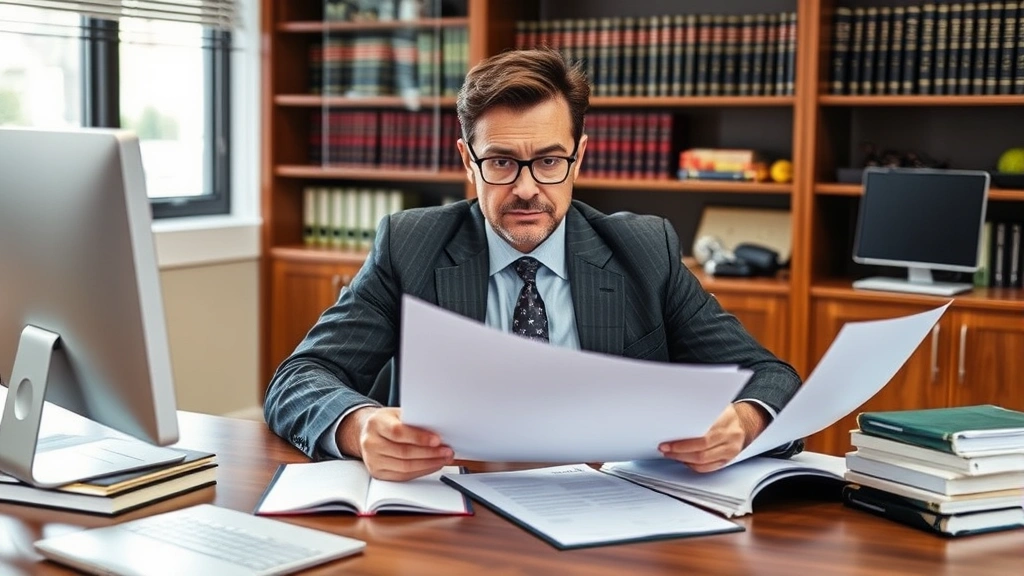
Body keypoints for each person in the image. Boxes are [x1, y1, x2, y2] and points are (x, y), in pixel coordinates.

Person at [264, 47, 801, 481]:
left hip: (612, 518)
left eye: (548, 161)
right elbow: (298, 379)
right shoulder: (411, 245)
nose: (526, 189)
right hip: (456, 513)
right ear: (467, 163)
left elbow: (774, 378)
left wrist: (744, 421)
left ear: (579, 157)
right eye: (500, 162)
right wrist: (360, 426)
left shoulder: (645, 250)